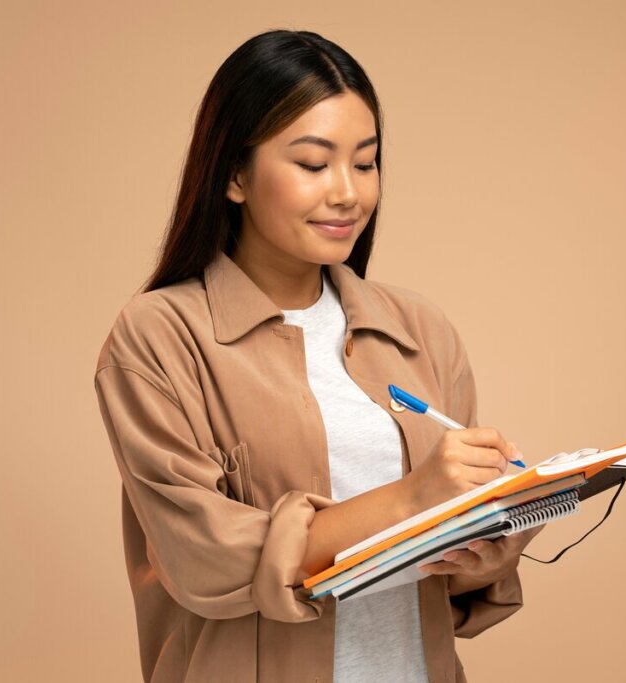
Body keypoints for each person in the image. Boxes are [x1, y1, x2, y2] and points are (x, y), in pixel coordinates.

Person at [93, 29, 543, 683]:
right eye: (313, 164)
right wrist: (412, 497)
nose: (348, 193)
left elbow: (443, 584)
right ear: (235, 174)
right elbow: (203, 558)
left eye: (366, 163)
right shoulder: (160, 335)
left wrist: (489, 539)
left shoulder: (421, 330)